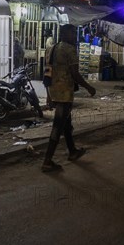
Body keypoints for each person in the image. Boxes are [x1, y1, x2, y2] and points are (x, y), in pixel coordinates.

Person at [41, 24, 96, 173]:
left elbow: (47, 73)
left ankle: (72, 152)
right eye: (73, 34)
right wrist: (89, 87)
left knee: (66, 123)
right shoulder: (70, 50)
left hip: (54, 91)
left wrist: (48, 94)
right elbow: (75, 74)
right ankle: (47, 161)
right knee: (58, 126)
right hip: (65, 93)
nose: (75, 37)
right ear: (66, 34)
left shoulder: (51, 49)